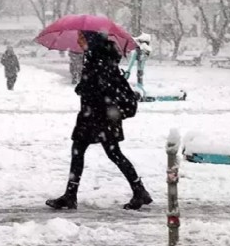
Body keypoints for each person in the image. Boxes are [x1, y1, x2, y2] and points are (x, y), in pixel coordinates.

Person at [46, 31, 152, 210]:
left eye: (81, 37)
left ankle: (138, 190)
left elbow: (100, 88)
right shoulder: (98, 56)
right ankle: (138, 190)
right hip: (98, 117)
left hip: (99, 117)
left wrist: (84, 87)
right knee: (96, 152)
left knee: (102, 153)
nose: (78, 41)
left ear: (90, 39)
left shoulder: (99, 59)